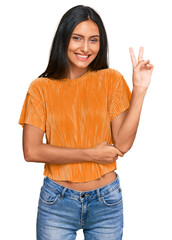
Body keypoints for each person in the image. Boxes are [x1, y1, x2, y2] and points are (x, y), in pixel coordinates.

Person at [18, 5, 154, 240]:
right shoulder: (41, 88)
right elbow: (31, 151)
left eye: (93, 40)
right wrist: (91, 153)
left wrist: (139, 90)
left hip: (106, 201)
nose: (85, 48)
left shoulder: (111, 80)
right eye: (77, 38)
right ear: (64, 39)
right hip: (57, 202)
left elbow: (121, 144)